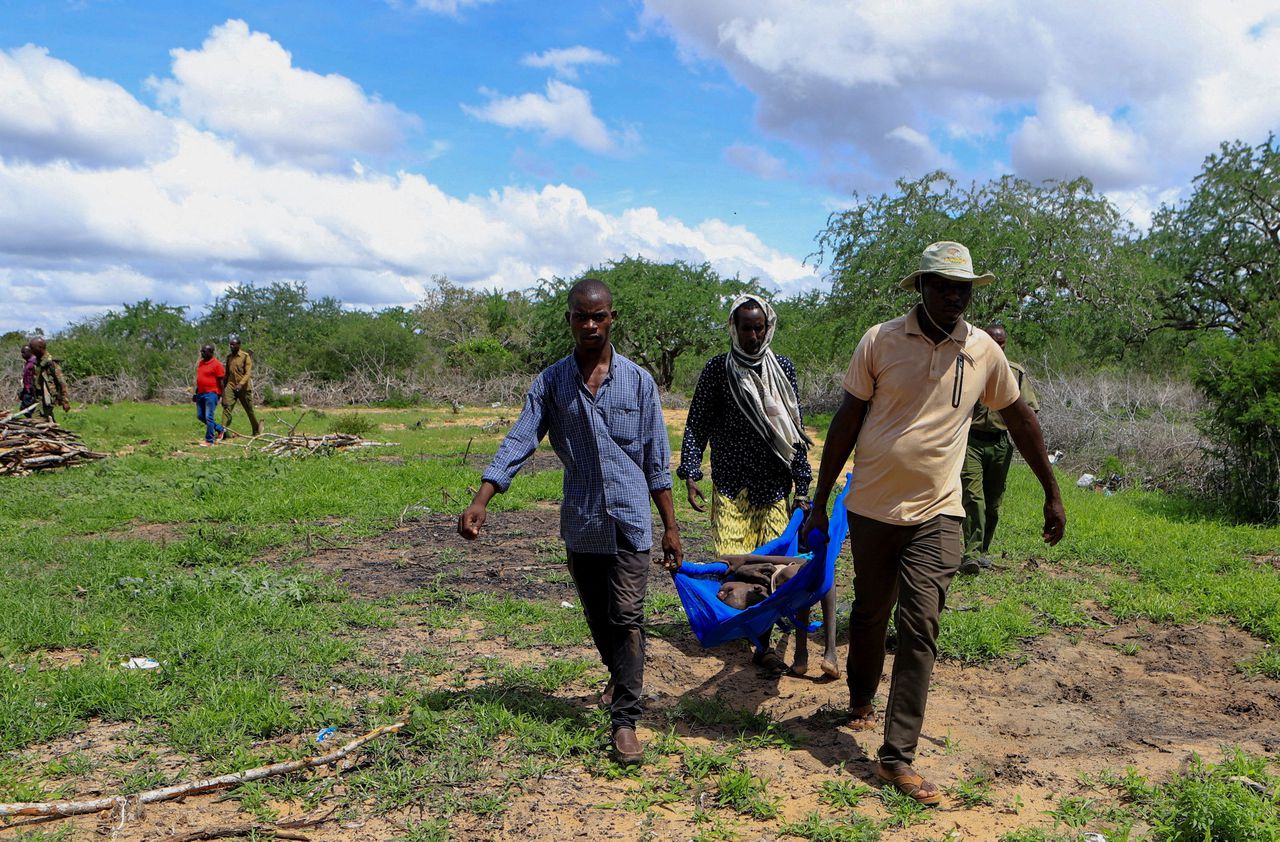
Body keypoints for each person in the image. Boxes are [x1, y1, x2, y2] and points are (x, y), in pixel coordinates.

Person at [802, 241, 1065, 806]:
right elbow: (847, 421)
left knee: (920, 625)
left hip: (940, 512)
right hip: (872, 507)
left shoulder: (982, 351)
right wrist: (820, 502)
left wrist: (1052, 492)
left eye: (962, 288)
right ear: (920, 286)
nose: (953, 297)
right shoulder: (880, 340)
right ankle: (860, 698)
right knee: (870, 612)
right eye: (942, 286)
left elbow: (1020, 419)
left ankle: (897, 758)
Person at [458, 278, 683, 766]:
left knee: (626, 616)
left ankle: (625, 720)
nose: (589, 325)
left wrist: (670, 526)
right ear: (569, 320)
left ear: (612, 318)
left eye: (598, 316)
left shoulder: (639, 382)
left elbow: (656, 460)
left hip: (630, 521)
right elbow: (520, 440)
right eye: (581, 316)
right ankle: (620, 676)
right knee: (600, 618)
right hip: (582, 522)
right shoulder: (552, 383)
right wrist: (482, 499)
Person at [677, 294, 837, 679]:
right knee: (737, 564)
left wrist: (802, 487)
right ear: (734, 328)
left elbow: (794, 430)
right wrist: (692, 472)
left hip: (773, 486)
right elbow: (698, 422)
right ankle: (761, 644)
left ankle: (763, 637)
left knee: (770, 563)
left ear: (768, 327)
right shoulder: (718, 370)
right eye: (745, 327)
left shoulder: (781, 369)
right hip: (731, 485)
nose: (752, 334)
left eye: (758, 327)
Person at [959, 324, 1040, 575]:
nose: (997, 346)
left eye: (1001, 343)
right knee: (973, 497)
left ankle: (982, 550)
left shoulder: (1014, 372)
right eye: (993, 342)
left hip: (999, 442)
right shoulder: (969, 366)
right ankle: (971, 554)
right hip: (971, 440)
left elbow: (1029, 410)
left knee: (993, 502)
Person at [221, 335, 262, 437]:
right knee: (227, 408)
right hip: (231, 386)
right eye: (230, 344)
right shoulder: (229, 358)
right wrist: (222, 388)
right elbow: (227, 374)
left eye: (233, 345)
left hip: (243, 388)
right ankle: (223, 432)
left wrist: (240, 384)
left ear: (239, 345)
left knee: (249, 410)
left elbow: (248, 373)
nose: (231, 346)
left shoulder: (245, 356)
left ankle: (256, 430)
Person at [28, 337, 70, 421]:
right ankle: (56, 432)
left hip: (47, 397)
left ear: (40, 348)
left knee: (37, 419)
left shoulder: (50, 363)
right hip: (38, 397)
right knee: (46, 419)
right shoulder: (37, 361)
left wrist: (65, 400)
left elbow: (62, 382)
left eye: (32, 348)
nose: (31, 351)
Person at [193, 344, 227, 447]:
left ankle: (209, 441)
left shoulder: (217, 365)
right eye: (201, 351)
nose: (202, 353)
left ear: (211, 352)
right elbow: (200, 379)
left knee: (209, 417)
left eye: (204, 351)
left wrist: (223, 397)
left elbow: (221, 382)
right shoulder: (201, 363)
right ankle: (220, 430)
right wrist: (196, 393)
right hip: (201, 393)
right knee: (200, 416)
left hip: (212, 393)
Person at [18, 344, 36, 409]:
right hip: (27, 389)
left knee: (26, 408)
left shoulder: (34, 361)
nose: (22, 355)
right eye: (21, 353)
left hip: (32, 389)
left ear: (30, 352)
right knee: (24, 407)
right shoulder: (27, 363)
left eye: (24, 352)